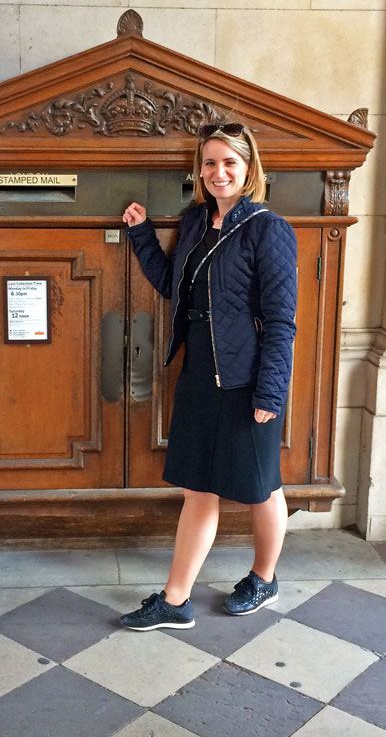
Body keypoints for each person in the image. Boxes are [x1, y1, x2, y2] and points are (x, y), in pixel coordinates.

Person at [119, 122, 297, 631]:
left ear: (249, 169)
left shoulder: (268, 228)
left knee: (262, 487)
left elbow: (282, 321)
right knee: (198, 487)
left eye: (229, 163)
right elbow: (173, 285)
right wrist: (141, 235)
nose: (219, 173)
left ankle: (264, 577)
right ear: (200, 170)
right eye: (210, 163)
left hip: (246, 378)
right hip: (199, 372)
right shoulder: (196, 221)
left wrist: (270, 391)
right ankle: (175, 600)